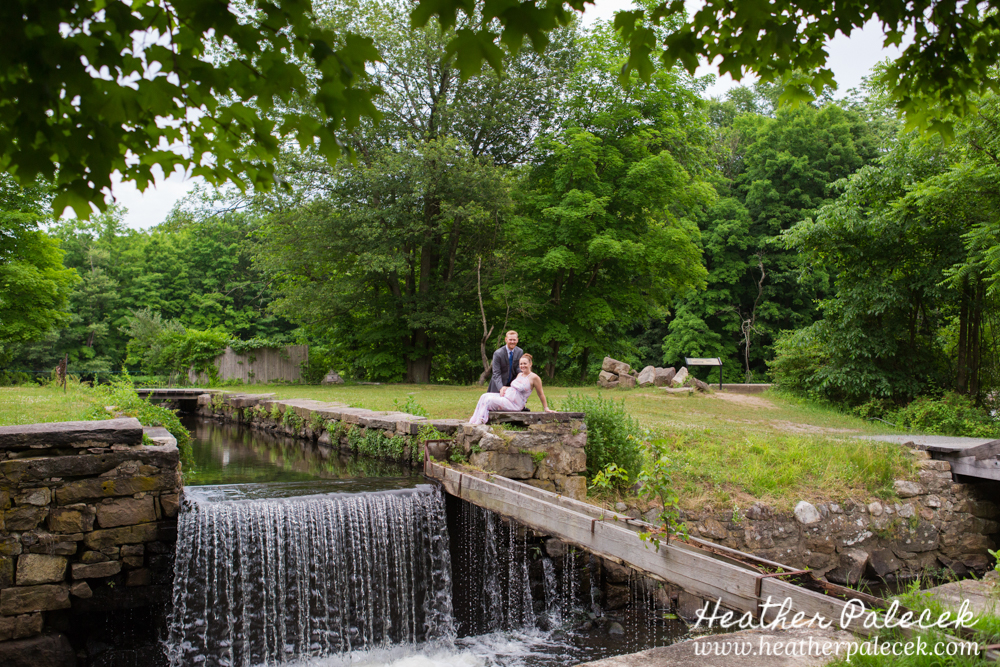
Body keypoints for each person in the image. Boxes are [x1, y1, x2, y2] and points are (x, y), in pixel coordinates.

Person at [470, 354, 554, 424]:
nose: (522, 366)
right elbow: (514, 388)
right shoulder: (519, 375)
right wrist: (505, 388)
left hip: (515, 404)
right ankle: (474, 421)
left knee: (488, 401)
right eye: (521, 364)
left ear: (530, 364)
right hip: (507, 397)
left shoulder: (534, 378)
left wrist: (546, 408)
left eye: (525, 363)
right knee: (484, 396)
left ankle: (481, 421)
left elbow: (541, 394)